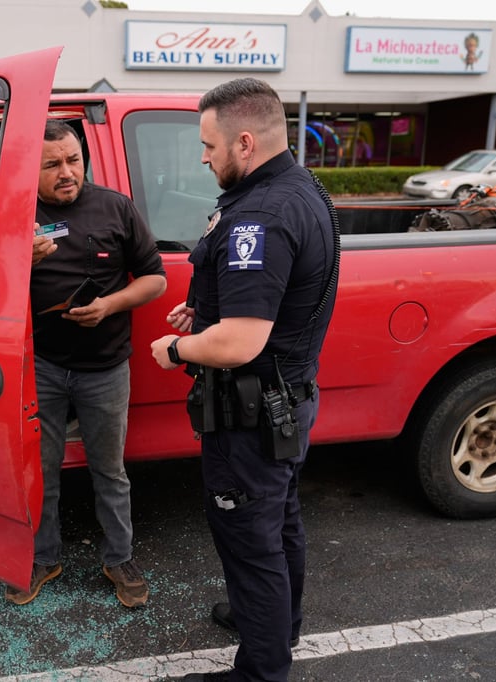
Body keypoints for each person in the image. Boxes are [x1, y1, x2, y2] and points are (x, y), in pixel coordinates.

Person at [151, 78, 339, 681]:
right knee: (279, 522)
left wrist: (179, 347)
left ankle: (262, 669)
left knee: (250, 542)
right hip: (284, 403)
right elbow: (262, 303)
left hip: (251, 415)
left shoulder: (260, 213)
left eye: (209, 145)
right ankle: (275, 623)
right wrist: (202, 312)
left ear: (246, 142)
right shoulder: (298, 188)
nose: (203, 157)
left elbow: (241, 340)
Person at [4, 120, 167, 608]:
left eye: (73, 160)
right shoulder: (16, 215)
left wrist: (110, 305)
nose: (66, 172)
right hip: (43, 365)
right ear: (30, 169)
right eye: (52, 165)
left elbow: (155, 279)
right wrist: (19, 262)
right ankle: (43, 556)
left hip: (105, 367)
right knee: (42, 469)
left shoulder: (114, 207)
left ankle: (119, 557)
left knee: (109, 471)